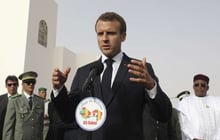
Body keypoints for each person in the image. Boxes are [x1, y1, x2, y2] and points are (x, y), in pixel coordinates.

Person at [51, 12, 172, 140]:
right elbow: (68, 116)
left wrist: (151, 87)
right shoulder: (84, 72)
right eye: (100, 33)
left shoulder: (140, 70)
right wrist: (59, 90)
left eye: (111, 33)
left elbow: (163, 114)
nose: (104, 38)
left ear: (123, 36)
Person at [2, 71, 45, 140]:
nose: (31, 84)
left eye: (33, 82)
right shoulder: (14, 101)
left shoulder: (40, 101)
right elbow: (8, 128)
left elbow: (40, 127)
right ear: (22, 84)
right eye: (28, 82)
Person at [176, 74, 220, 140]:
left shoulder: (216, 101)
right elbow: (183, 124)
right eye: (196, 85)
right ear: (193, 87)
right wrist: (193, 137)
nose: (199, 87)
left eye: (203, 85)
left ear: (207, 88)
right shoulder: (185, 103)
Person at [0, 75, 19, 140]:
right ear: (6, 86)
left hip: (15, 135)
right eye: (9, 85)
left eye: (14, 84)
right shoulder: (1, 99)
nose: (12, 86)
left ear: (18, 85)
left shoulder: (22, 100)